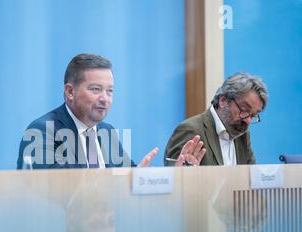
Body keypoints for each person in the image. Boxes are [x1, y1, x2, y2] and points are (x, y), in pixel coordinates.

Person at [17, 53, 205, 169]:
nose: (104, 98)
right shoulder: (43, 130)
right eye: (96, 89)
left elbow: (130, 177)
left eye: (110, 91)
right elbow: (52, 188)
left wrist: (177, 174)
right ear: (70, 91)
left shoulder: (107, 132)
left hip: (106, 228)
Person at [164, 72, 268, 166]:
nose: (248, 121)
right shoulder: (190, 130)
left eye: (253, 115)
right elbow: (173, 179)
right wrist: (187, 172)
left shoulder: (243, 135)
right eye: (244, 110)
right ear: (223, 100)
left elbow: (253, 179)